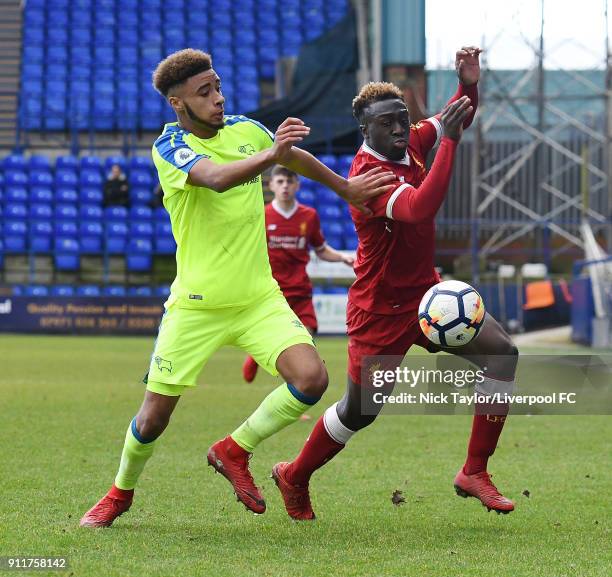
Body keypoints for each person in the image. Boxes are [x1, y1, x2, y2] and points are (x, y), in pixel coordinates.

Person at [79, 49, 394, 527]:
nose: (218, 98)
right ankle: (120, 492)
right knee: (153, 419)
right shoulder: (169, 148)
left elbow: (295, 158)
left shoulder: (246, 130)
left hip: (257, 299)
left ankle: (234, 449)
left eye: (218, 87)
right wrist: (273, 154)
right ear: (176, 103)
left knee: (311, 379)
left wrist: (344, 188)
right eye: (204, 93)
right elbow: (217, 179)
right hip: (196, 306)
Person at [272, 47, 520, 520]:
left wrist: (468, 83)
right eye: (388, 123)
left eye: (404, 118)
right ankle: (295, 474)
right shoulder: (369, 176)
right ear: (366, 130)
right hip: (380, 311)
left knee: (502, 353)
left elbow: (455, 117)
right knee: (360, 411)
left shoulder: (409, 144)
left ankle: (474, 470)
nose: (401, 128)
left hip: (427, 299)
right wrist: (446, 141)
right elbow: (421, 207)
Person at [242, 165, 354, 383]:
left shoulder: (308, 216)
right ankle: (257, 356)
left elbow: (321, 250)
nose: (285, 186)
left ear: (297, 185)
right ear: (272, 185)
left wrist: (342, 257)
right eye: (280, 182)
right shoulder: (261, 216)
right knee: (274, 342)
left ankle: (298, 389)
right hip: (271, 293)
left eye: (289, 182)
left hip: (301, 291)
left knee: (305, 341)